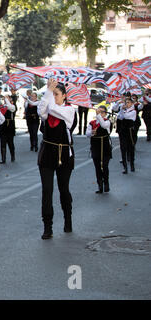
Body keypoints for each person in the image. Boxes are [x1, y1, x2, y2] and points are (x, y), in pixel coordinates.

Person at [37, 79, 77, 240]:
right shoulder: (48, 108)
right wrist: (48, 92)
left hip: (63, 154)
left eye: (56, 94)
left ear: (64, 96)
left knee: (63, 189)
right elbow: (42, 111)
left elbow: (50, 108)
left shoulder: (69, 110)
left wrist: (47, 94)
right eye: (52, 94)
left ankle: (68, 219)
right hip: (47, 153)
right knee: (47, 191)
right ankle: (48, 226)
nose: (54, 97)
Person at [86, 105, 112, 194]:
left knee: (104, 165)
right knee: (97, 167)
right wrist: (92, 133)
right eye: (98, 111)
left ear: (105, 113)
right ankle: (100, 185)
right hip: (95, 146)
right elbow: (87, 134)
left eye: (102, 112)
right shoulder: (92, 123)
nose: (99, 113)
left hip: (105, 146)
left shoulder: (107, 121)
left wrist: (100, 117)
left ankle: (106, 183)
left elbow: (104, 126)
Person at [113, 97, 137, 174]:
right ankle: (125, 167)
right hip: (123, 131)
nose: (127, 104)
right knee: (123, 148)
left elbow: (126, 116)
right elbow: (119, 116)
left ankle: (132, 164)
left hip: (130, 131)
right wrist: (119, 105)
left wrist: (123, 110)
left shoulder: (133, 111)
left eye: (128, 103)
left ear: (132, 103)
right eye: (126, 102)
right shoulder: (123, 109)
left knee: (131, 148)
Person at [0, 95, 17, 163]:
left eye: (7, 98)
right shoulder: (2, 107)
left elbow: (9, 106)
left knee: (10, 143)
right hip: (3, 127)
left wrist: (7, 100)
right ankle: (3, 159)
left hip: (10, 127)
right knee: (2, 144)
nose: (5, 99)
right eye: (5, 98)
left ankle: (13, 156)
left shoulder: (12, 106)